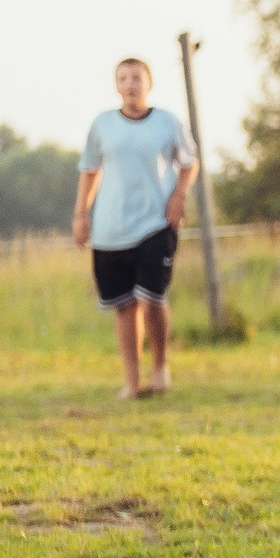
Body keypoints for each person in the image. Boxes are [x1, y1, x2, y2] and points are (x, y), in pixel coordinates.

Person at [73, 56, 197, 400]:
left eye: (137, 78)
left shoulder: (167, 122)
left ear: (148, 83)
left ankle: (160, 366)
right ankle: (132, 381)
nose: (130, 84)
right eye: (124, 78)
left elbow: (190, 162)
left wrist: (179, 196)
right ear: (117, 85)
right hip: (111, 228)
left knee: (152, 297)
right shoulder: (102, 125)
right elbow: (89, 171)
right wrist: (81, 215)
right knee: (124, 305)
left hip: (156, 222)